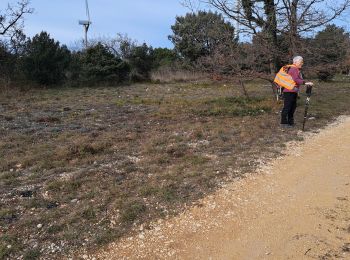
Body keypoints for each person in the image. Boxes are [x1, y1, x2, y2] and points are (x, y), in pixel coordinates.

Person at [280, 56, 313, 128]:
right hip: (289, 91)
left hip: (292, 91)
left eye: (302, 62)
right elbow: (296, 79)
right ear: (295, 62)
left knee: (292, 107)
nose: (302, 63)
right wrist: (306, 83)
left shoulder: (295, 69)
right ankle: (283, 123)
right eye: (301, 62)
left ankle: (290, 122)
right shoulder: (294, 69)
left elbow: (296, 80)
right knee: (288, 107)